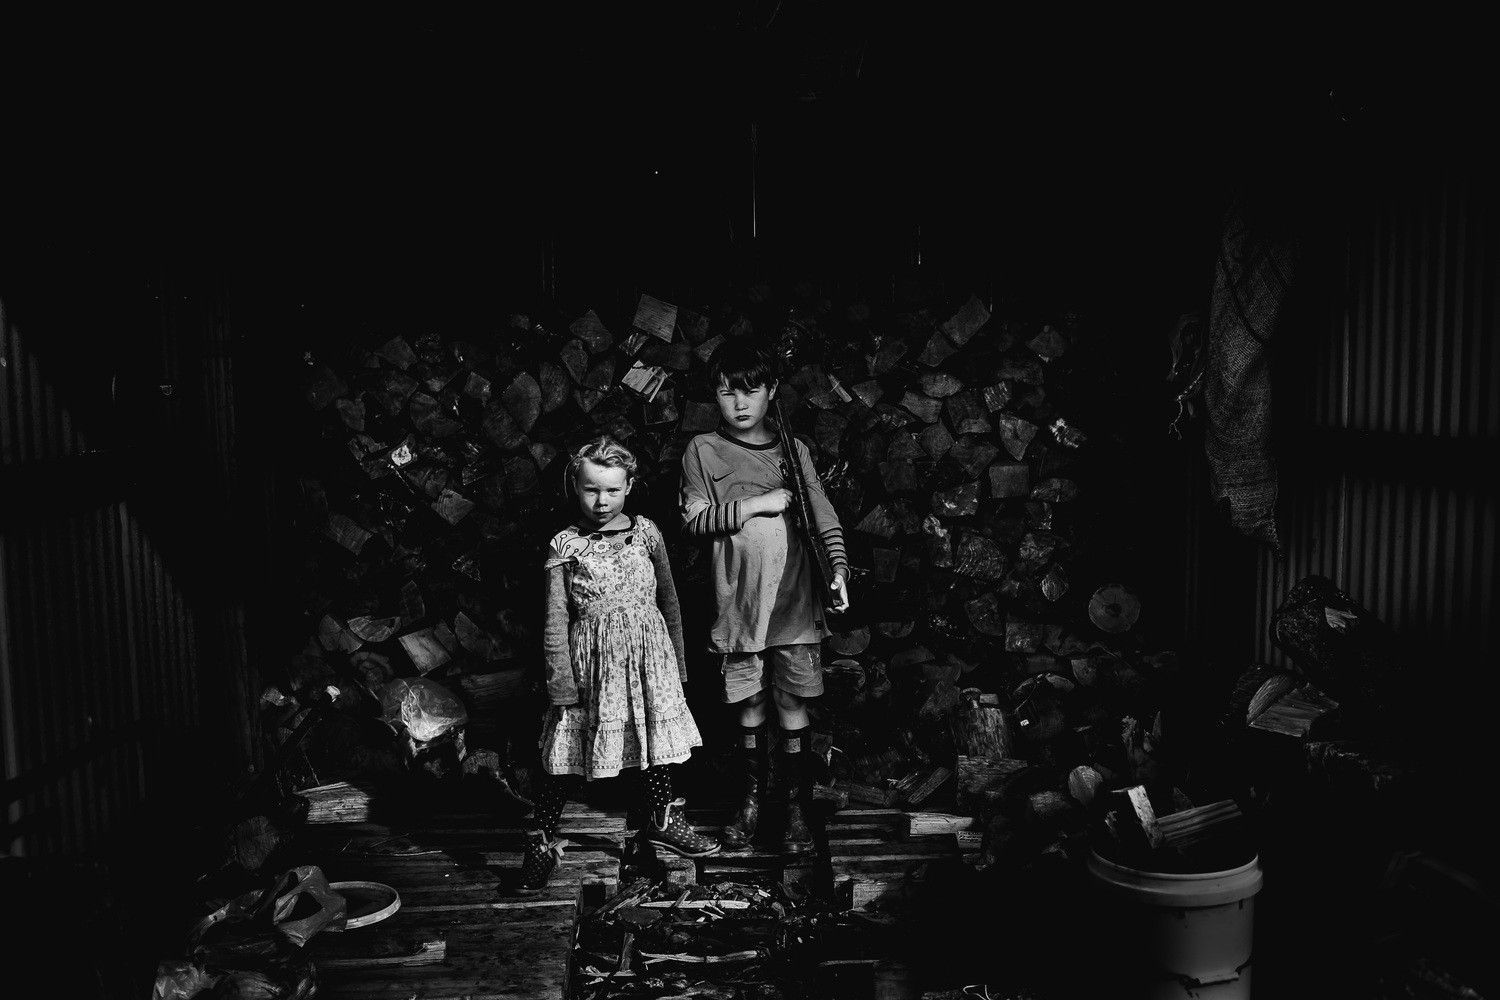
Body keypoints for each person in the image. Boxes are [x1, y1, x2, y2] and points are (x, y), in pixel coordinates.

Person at [518, 435, 719, 894]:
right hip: (593, 668)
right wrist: (561, 684)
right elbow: (555, 620)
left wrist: (677, 667)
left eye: (612, 489)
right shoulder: (565, 545)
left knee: (654, 743)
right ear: (576, 486)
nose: (601, 501)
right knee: (563, 758)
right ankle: (541, 842)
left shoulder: (647, 533)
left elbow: (669, 602)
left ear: (629, 486)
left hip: (650, 660)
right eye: (591, 489)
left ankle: (662, 819)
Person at [679, 338, 851, 854]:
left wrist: (838, 569)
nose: (739, 403)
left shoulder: (793, 451)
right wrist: (758, 505)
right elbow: (694, 520)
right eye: (727, 392)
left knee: (791, 700)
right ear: (714, 395)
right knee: (750, 700)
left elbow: (822, 514)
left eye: (750, 391)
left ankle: (795, 808)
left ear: (772, 391)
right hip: (739, 608)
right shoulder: (703, 450)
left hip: (795, 604)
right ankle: (751, 803)